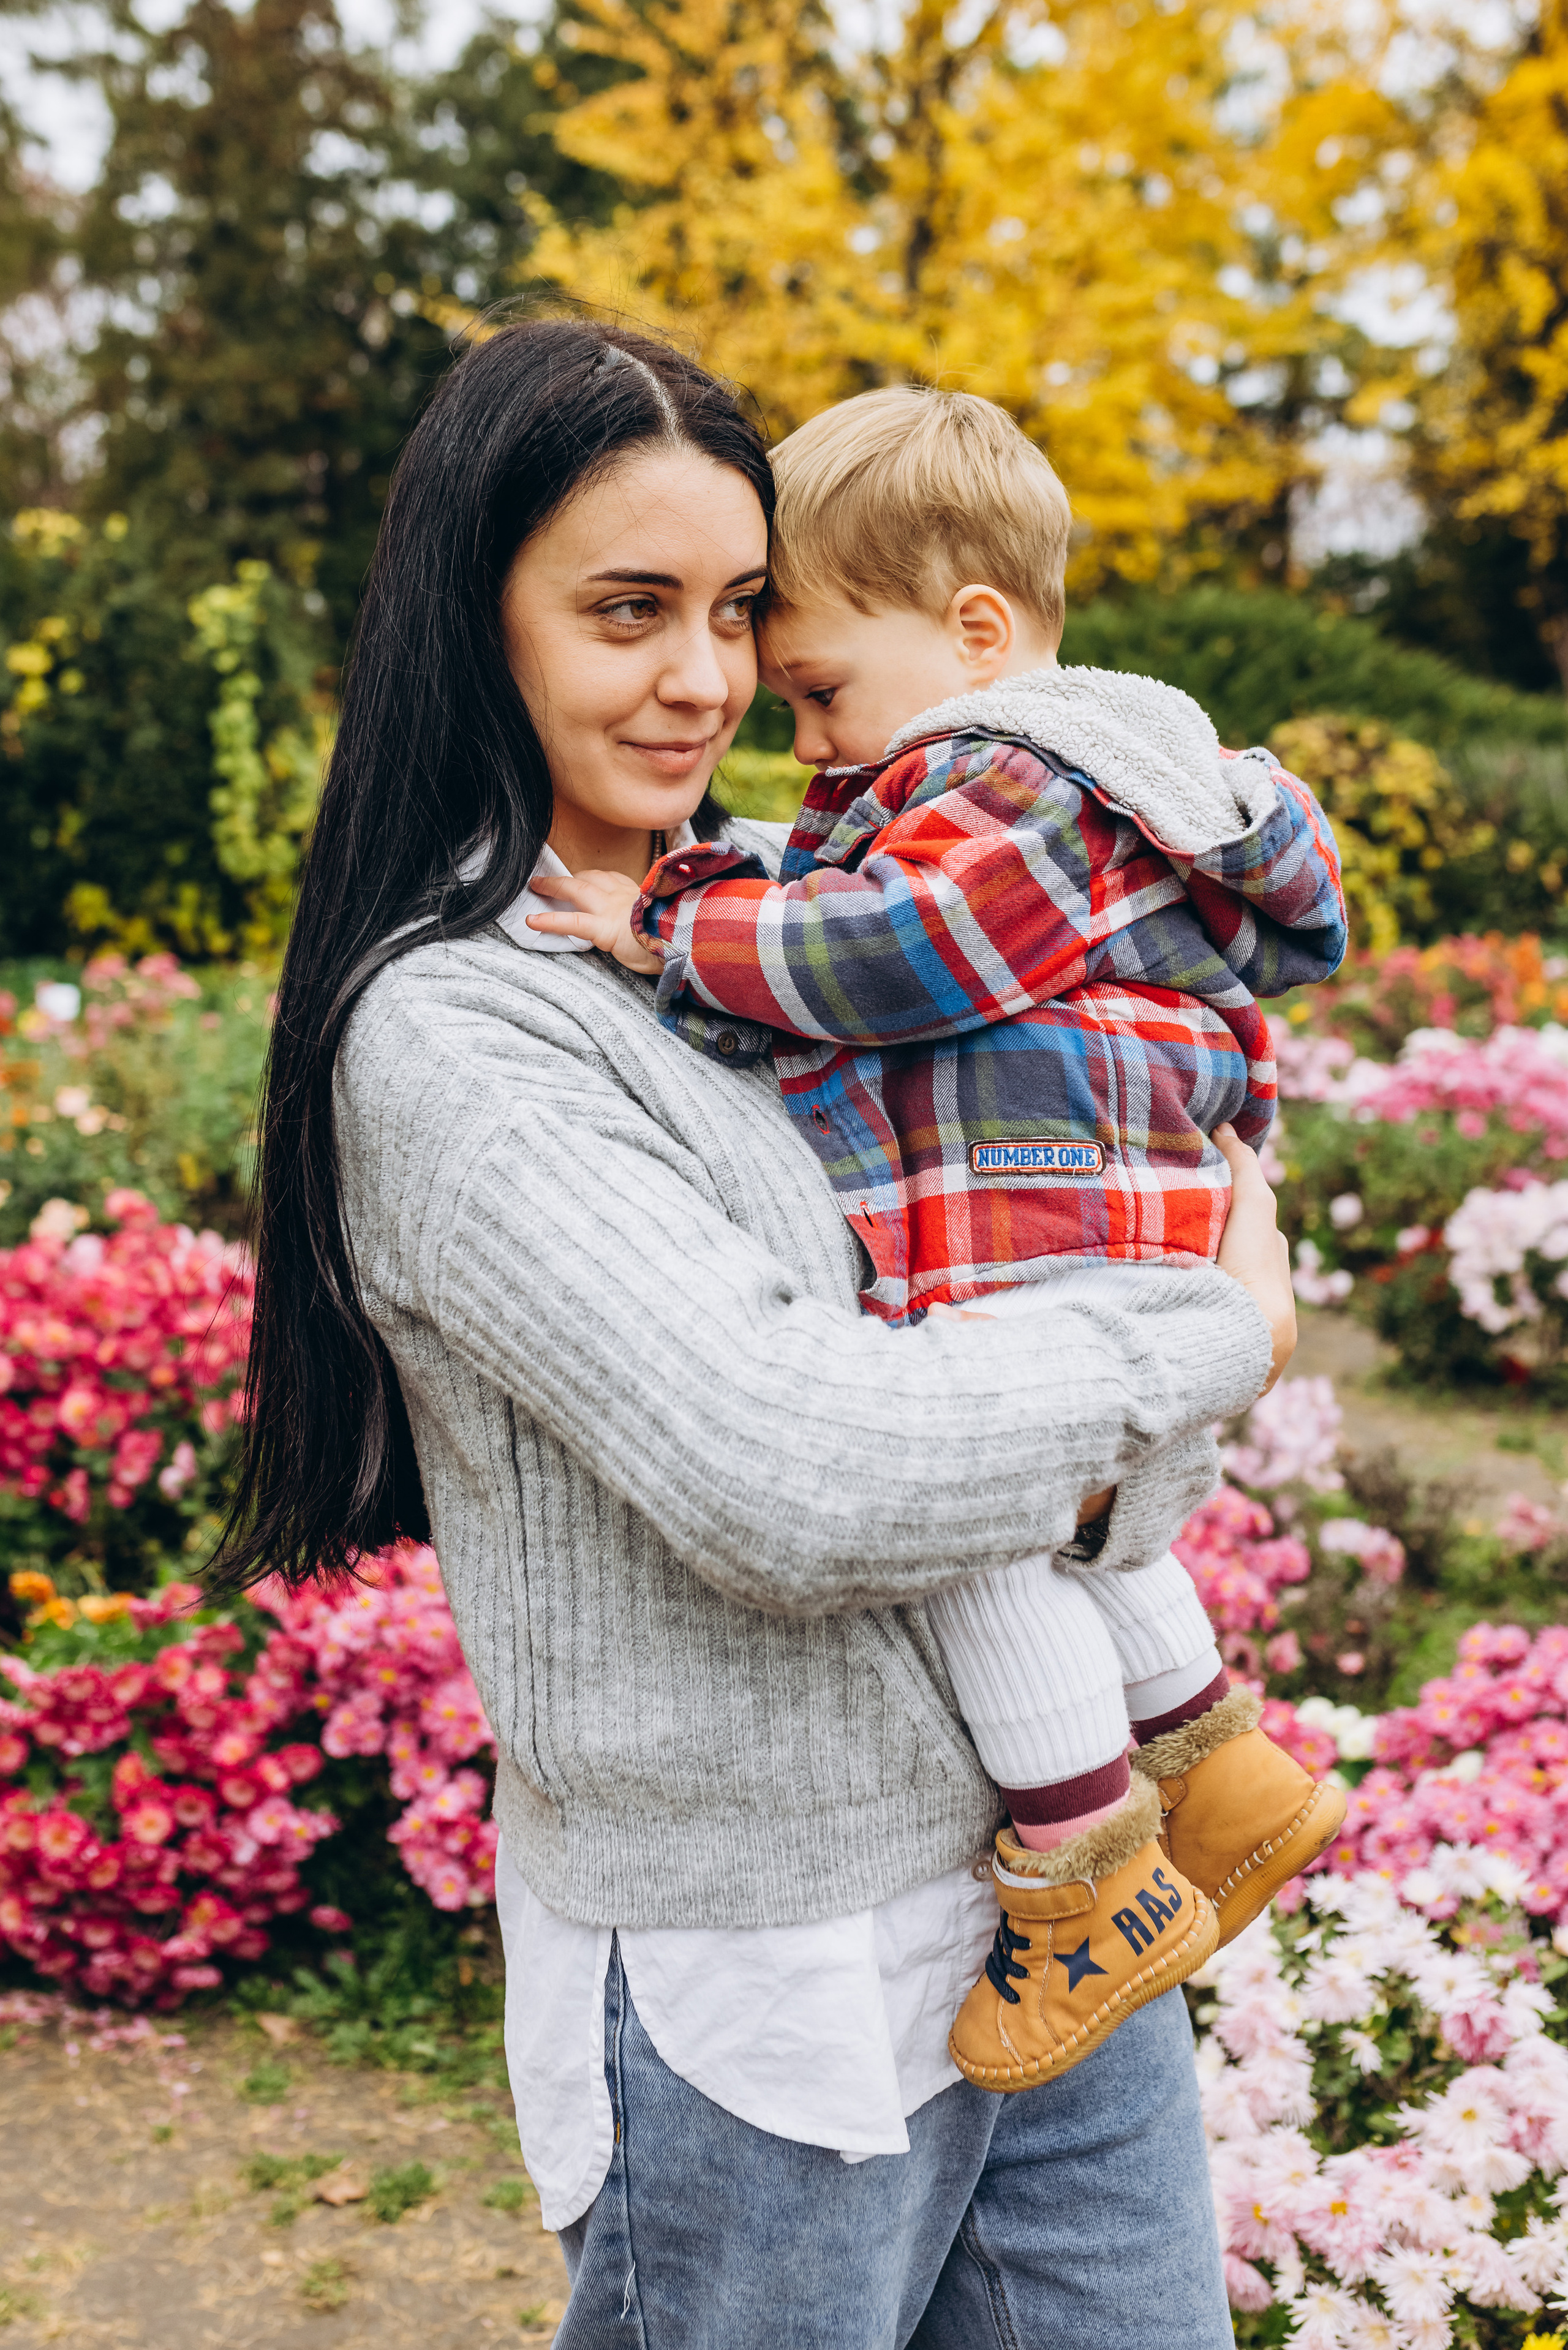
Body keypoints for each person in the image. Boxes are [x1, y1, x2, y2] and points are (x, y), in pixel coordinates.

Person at [216, 316, 1298, 2349]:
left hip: (1059, 1905)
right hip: (767, 1986)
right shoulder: (461, 1032)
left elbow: (1044, 1388)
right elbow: (810, 1471)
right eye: (629, 612)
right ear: (483, 622)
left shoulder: (806, 922)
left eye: (737, 612)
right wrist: (1213, 1331)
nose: (707, 682)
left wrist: (1121, 1341)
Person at [531, 383, 1349, 2093]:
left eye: (818, 689)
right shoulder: (1084, 779)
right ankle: (1219, 1770)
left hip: (1045, 1218)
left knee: (975, 1527)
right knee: (1071, 1532)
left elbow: (896, 956)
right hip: (1101, 1211)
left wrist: (677, 922)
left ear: (977, 632)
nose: (803, 739)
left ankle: (1090, 1877)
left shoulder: (1009, 777)